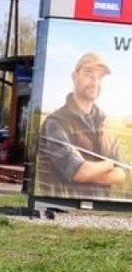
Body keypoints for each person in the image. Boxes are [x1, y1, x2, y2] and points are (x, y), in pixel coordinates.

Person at [36, 52, 128, 198]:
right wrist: (109, 164)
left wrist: (94, 173)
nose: (95, 81)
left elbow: (123, 171)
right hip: (61, 211)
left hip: (101, 212)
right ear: (74, 76)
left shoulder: (105, 125)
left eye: (100, 77)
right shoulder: (55, 123)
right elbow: (78, 171)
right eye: (88, 73)